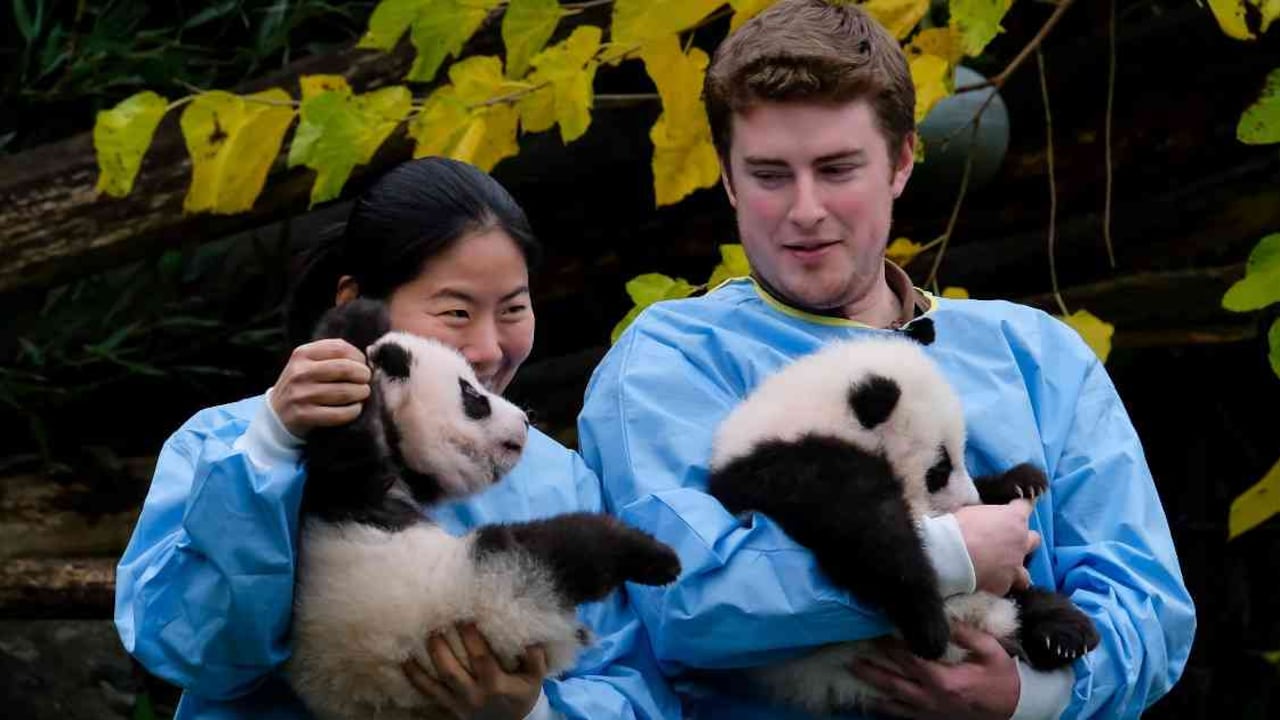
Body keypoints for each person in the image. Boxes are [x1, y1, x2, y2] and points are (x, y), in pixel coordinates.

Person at [577, 2, 1196, 719]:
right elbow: (684, 601)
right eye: (770, 174)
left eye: (838, 168)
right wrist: (945, 557)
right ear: (726, 177)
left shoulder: (1039, 356)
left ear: (902, 161)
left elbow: (1147, 603)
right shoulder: (669, 364)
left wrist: (1030, 696)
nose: (805, 209)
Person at [115, 157, 682, 720]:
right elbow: (186, 650)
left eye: (514, 308)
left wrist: (531, 712)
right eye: (456, 311)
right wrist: (270, 452)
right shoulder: (228, 446)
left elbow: (627, 685)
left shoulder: (558, 478)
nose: (487, 347)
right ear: (359, 308)